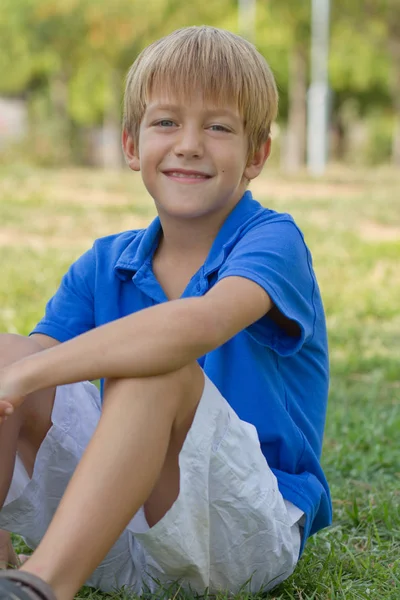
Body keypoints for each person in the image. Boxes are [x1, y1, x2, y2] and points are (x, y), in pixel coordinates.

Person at [0, 25, 331, 600]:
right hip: (110, 531)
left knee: (155, 371)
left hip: (238, 534)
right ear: (131, 145)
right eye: (166, 122)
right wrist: (18, 369)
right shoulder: (105, 261)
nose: (189, 144)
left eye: (218, 127)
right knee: (8, 349)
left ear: (257, 154)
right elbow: (24, 387)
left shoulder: (272, 241)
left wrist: (27, 374)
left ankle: (41, 588)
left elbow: (194, 327)